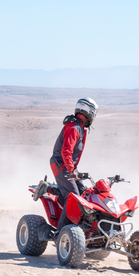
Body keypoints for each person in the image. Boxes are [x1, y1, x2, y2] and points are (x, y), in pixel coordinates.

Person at [48, 97, 99, 233]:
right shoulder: (74, 128)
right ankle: (61, 232)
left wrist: (73, 170)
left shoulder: (79, 127)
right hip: (61, 164)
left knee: (84, 192)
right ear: (89, 112)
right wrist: (71, 170)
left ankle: (51, 188)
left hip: (68, 166)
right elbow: (66, 152)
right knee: (73, 197)